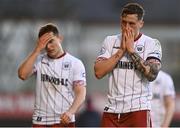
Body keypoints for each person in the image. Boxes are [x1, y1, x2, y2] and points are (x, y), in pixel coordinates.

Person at [94, 3, 162, 127]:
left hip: (138, 109)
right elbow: (98, 72)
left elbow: (152, 74)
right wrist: (120, 51)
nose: (126, 27)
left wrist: (131, 51)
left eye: (131, 24)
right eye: (123, 22)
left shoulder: (152, 43)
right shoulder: (110, 41)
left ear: (141, 24)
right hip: (112, 110)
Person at [18, 23, 86, 127]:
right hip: (40, 121)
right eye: (44, 44)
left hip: (63, 120)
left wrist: (70, 112)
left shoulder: (75, 63)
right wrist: (37, 50)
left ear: (60, 38)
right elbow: (22, 75)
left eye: (51, 41)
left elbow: (81, 93)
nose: (48, 47)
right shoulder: (39, 60)